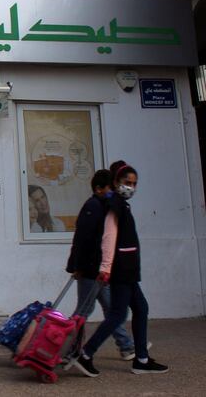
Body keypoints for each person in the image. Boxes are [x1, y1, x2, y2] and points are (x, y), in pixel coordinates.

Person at [73, 161, 169, 377]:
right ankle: (86, 353)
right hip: (121, 271)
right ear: (116, 182)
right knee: (117, 314)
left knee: (140, 309)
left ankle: (141, 359)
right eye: (127, 182)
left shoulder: (121, 205)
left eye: (134, 184)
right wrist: (106, 267)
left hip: (129, 270)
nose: (131, 187)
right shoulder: (114, 205)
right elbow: (109, 237)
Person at [65, 169, 135, 360]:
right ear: (98, 189)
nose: (113, 192)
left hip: (98, 271)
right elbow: (82, 239)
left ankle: (126, 346)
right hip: (89, 270)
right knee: (83, 312)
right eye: (110, 188)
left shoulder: (103, 206)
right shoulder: (93, 207)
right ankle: (66, 348)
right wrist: (77, 267)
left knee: (112, 310)